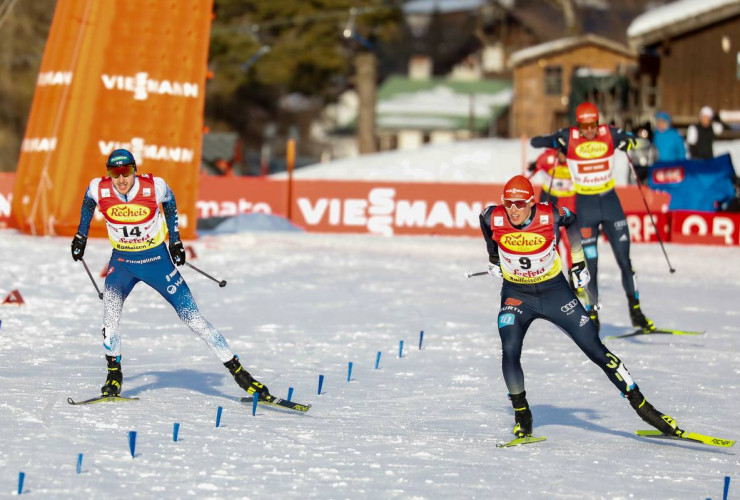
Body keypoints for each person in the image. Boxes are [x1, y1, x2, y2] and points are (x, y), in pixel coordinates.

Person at [479, 174, 681, 439]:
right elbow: (485, 225)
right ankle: (522, 414)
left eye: (519, 203)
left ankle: (644, 408)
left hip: (555, 292)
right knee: (509, 349)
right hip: (517, 295)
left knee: (596, 349)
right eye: (508, 203)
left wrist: (578, 264)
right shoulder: (492, 216)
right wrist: (494, 257)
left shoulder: (548, 214)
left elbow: (572, 222)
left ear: (531, 202)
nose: (513, 210)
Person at [71, 148, 269, 400]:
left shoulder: (154, 186)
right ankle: (114, 376)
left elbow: (170, 203)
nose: (121, 179)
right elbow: (88, 202)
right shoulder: (99, 188)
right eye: (115, 173)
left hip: (156, 261)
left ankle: (242, 376)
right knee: (109, 320)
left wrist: (175, 241)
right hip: (122, 262)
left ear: (135, 170)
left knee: (193, 319)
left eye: (127, 171)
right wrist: (81, 235)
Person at [530, 102, 655, 332]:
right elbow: (535, 142)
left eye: (592, 126)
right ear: (579, 125)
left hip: (610, 203)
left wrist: (629, 141)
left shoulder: (609, 133)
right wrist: (554, 142)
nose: (589, 131)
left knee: (625, 261)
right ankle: (593, 313)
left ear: (598, 122)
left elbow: (634, 138)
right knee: (591, 265)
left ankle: (636, 311)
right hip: (585, 207)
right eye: (584, 126)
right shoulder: (569, 136)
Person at [527, 148, 576, 268]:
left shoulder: (575, 160)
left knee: (569, 239)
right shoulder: (546, 158)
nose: (563, 157)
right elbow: (527, 176)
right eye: (560, 153)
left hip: (568, 200)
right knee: (552, 237)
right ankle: (555, 270)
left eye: (566, 153)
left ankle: (573, 272)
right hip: (550, 198)